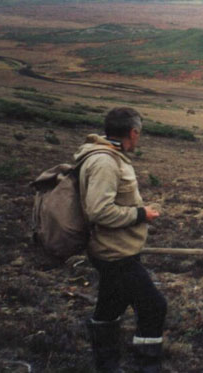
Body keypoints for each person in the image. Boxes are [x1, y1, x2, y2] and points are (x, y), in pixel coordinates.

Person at [75, 107, 166, 373]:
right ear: (133, 132)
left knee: (109, 308)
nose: (138, 138)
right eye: (139, 134)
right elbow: (99, 210)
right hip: (115, 254)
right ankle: (146, 367)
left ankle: (107, 367)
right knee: (153, 307)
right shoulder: (105, 162)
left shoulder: (110, 157)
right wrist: (141, 213)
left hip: (113, 249)